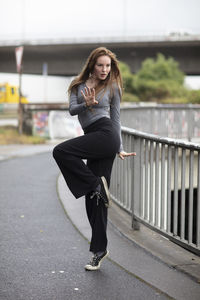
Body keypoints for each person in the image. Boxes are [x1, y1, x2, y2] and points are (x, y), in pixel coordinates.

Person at [53, 47, 136, 271]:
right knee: (94, 199)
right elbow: (72, 110)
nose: (104, 69)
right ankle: (99, 250)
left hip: (106, 135)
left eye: (108, 66)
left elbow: (116, 119)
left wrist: (119, 147)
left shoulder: (113, 87)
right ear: (92, 65)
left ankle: (95, 184)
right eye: (100, 65)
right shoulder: (77, 86)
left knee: (61, 151)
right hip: (93, 137)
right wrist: (86, 104)